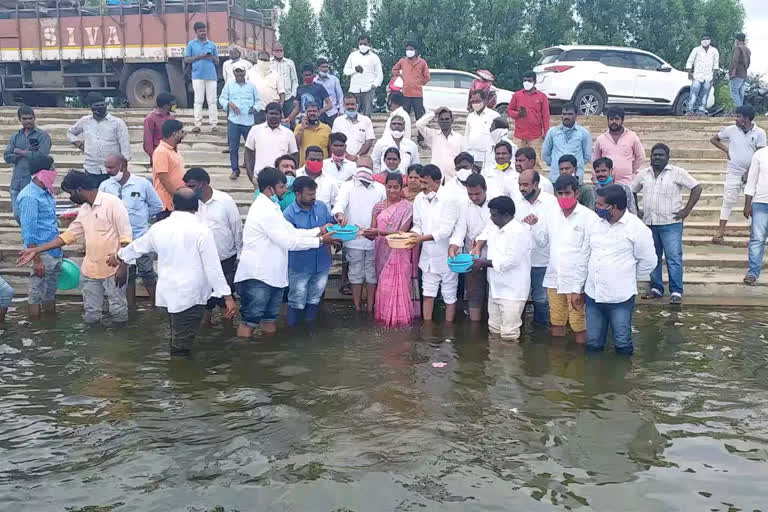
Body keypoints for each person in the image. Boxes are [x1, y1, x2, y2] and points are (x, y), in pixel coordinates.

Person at [109, 188, 237, 356]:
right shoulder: (202, 231)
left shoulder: (159, 227)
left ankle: (176, 376)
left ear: (173, 205)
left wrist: (119, 256)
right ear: (197, 206)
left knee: (177, 336)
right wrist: (227, 297)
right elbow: (212, 268)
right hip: (191, 295)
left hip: (168, 293)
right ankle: (181, 377)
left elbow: (137, 246)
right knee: (182, 345)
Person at [17, 170, 133, 324]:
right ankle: (93, 344)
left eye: (70, 193)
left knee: (118, 310)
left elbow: (126, 237)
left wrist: (123, 266)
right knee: (91, 313)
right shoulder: (85, 209)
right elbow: (68, 236)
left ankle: (119, 343)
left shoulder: (113, 203)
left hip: (113, 268)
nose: (71, 198)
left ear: (79, 190)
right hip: (90, 269)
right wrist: (37, 250)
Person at [235, 167, 336, 338]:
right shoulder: (263, 210)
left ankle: (270, 355)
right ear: (270, 189)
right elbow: (289, 241)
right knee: (250, 321)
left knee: (269, 320)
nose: (284, 190)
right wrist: (320, 240)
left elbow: (290, 230)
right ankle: (245, 358)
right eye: (281, 187)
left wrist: (319, 229)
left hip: (273, 275)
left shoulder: (271, 205)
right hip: (258, 275)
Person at [575, 185, 656, 354]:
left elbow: (648, 261)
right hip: (593, 294)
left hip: (621, 297)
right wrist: (577, 289)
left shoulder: (637, 228)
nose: (597, 208)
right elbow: (583, 257)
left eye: (601, 205)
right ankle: (593, 377)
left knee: (622, 341)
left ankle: (621, 378)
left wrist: (625, 276)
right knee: (592, 342)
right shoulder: (594, 224)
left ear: (616, 207)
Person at [632, 143, 702, 305]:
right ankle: (656, 288)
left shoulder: (677, 172)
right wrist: (637, 210)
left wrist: (686, 210)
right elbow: (632, 191)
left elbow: (697, 188)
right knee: (653, 257)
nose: (656, 157)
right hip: (649, 223)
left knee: (673, 258)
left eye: (660, 155)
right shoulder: (643, 174)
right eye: (654, 155)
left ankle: (676, 291)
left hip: (671, 223)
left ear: (667, 157)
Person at [537, 175, 599, 345]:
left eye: (567, 193)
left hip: (576, 280)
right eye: (560, 193)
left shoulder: (589, 217)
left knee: (579, 322)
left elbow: (591, 251)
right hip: (554, 276)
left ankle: (580, 361)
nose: (563, 197)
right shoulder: (550, 214)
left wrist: (581, 286)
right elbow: (541, 241)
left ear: (576, 194)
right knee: (556, 321)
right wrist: (533, 225)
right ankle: (558, 360)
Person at [100, 153, 163, 308]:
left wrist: (141, 218)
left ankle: (158, 307)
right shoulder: (105, 186)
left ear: (123, 166)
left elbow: (157, 205)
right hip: (118, 240)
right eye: (106, 167)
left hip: (140, 237)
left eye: (111, 167)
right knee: (127, 275)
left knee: (147, 272)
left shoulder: (142, 184)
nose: (108, 170)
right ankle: (130, 308)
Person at [182, 168, 242, 325]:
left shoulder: (225, 201)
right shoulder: (189, 204)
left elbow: (237, 229)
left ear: (203, 184)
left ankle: (228, 339)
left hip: (225, 259)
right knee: (203, 306)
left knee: (226, 304)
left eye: (192, 186)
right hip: (200, 263)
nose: (189, 190)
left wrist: (240, 257)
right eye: (187, 186)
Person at [470, 196, 532, 341]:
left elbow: (511, 261)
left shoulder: (519, 232)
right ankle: (495, 363)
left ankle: (509, 362)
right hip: (495, 287)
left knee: (509, 333)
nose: (491, 218)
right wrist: (477, 247)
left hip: (513, 291)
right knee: (494, 329)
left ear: (506, 215)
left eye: (494, 215)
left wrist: (483, 263)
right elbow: (482, 235)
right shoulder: (494, 225)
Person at [409, 164, 461, 322]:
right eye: (421, 182)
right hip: (428, 258)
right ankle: (427, 330)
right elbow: (418, 224)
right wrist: (411, 235)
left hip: (447, 257)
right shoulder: (419, 198)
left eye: (425, 183)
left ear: (437, 182)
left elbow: (446, 231)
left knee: (449, 296)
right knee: (428, 294)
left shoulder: (450, 199)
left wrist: (421, 239)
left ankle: (449, 332)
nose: (422, 186)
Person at [283, 176, 336, 325]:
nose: (314, 197)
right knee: (297, 301)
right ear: (298, 194)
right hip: (300, 265)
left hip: (322, 263)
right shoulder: (288, 215)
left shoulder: (321, 206)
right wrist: (320, 238)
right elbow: (292, 241)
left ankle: (310, 330)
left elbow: (329, 225)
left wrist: (337, 221)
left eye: (315, 194)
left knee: (314, 299)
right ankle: (294, 333)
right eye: (310, 194)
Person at [333, 167, 387, 312]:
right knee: (355, 273)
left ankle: (370, 306)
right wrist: (339, 215)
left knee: (372, 273)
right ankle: (357, 306)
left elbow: (384, 210)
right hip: (353, 236)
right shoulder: (347, 186)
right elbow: (340, 204)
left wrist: (376, 230)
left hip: (374, 236)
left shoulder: (380, 188)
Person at [710, 105, 766, 243]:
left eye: (739, 116)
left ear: (746, 119)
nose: (736, 119)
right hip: (733, 172)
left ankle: (757, 233)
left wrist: (749, 171)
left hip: (753, 174)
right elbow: (714, 139)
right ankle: (720, 231)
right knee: (728, 200)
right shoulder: (731, 130)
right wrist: (726, 150)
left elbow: (760, 155)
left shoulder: (760, 133)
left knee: (754, 203)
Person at [368, 172, 417, 326]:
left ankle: (400, 319)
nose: (392, 190)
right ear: (385, 186)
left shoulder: (408, 207)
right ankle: (384, 317)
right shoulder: (378, 206)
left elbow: (402, 233)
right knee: (384, 286)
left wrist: (378, 232)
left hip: (399, 252)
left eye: (396, 187)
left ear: (401, 188)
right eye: (389, 187)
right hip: (381, 251)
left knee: (398, 286)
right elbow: (373, 231)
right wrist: (364, 232)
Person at [15, 155, 61, 319]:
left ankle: (49, 323)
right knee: (36, 292)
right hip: (41, 252)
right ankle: (35, 325)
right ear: (43, 173)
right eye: (52, 169)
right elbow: (29, 232)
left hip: (54, 249)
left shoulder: (45, 191)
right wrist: (37, 259)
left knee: (50, 292)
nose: (54, 172)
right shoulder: (29, 196)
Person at [449, 172, 494, 321]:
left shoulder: (495, 202)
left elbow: (492, 227)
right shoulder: (464, 205)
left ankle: (490, 325)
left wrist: (480, 243)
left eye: (477, 194)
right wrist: (453, 247)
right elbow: (460, 230)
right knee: (474, 293)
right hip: (472, 257)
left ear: (485, 189)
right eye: (470, 194)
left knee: (494, 293)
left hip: (493, 255)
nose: (474, 198)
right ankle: (474, 330)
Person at [517, 169, 558, 326]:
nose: (522, 188)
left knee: (541, 300)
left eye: (526, 185)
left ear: (536, 184)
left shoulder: (551, 202)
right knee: (519, 300)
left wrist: (535, 225)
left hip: (542, 261)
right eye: (520, 184)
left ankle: (541, 338)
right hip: (521, 261)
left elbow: (551, 234)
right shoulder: (517, 201)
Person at [67, 92, 131, 180]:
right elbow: (70, 133)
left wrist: (123, 169)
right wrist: (79, 144)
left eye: (102, 105)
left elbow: (125, 148)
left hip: (112, 171)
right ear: (91, 108)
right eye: (97, 106)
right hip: (91, 168)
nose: (100, 108)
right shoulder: (85, 121)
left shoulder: (117, 123)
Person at [5, 105, 51, 223]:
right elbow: (7, 156)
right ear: (19, 119)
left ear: (34, 118)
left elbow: (42, 156)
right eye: (25, 118)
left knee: (33, 215)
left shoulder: (42, 135)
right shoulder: (15, 136)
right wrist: (24, 154)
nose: (28, 121)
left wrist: (20, 151)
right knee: (17, 214)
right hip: (17, 180)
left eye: (30, 118)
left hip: (35, 181)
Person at [219, 61, 260, 180]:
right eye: (237, 73)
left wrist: (255, 109)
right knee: (233, 147)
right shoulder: (229, 85)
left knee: (251, 146)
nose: (240, 76)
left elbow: (258, 101)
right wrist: (229, 104)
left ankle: (251, 168)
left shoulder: (251, 86)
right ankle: (235, 170)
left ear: (244, 72)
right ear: (234, 73)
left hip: (248, 121)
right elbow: (221, 98)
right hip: (234, 120)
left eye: (241, 73)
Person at [244, 102, 299, 183]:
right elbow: (248, 152)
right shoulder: (255, 130)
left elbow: (294, 155)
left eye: (276, 114)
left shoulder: (288, 133)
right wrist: (250, 175)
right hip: (259, 177)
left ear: (281, 115)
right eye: (271, 113)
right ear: (266, 114)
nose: (273, 116)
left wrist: (291, 175)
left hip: (282, 180)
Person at [592, 107, 645, 185]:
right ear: (608, 120)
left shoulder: (632, 137)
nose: (614, 122)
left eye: (617, 119)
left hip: (626, 182)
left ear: (622, 120)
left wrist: (630, 170)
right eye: (611, 119)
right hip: (605, 183)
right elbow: (595, 161)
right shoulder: (600, 139)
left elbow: (640, 156)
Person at [542, 102, 592, 181]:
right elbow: (545, 154)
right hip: (556, 177)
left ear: (576, 115)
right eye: (564, 114)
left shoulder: (584, 133)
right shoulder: (552, 132)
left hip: (576, 178)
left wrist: (576, 165)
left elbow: (587, 157)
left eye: (570, 114)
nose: (566, 117)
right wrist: (555, 164)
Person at [184, 22, 219, 133]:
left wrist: (211, 56)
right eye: (201, 31)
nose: (203, 32)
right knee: (198, 100)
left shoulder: (212, 44)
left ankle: (214, 124)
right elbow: (186, 59)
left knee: (212, 101)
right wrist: (200, 56)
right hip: (197, 75)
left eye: (204, 30)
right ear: (196, 32)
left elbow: (217, 61)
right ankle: (197, 124)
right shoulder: (191, 44)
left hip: (211, 76)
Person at [391, 41, 430, 140]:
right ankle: (402, 136)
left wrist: (419, 83)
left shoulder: (422, 62)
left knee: (419, 117)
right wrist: (400, 75)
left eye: (411, 49)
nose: (409, 51)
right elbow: (394, 70)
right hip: (405, 93)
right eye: (407, 49)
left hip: (417, 94)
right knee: (404, 116)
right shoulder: (403, 61)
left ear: (416, 51)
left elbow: (427, 77)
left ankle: (421, 138)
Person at [414, 107, 464, 179]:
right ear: (438, 121)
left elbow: (464, 158)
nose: (444, 121)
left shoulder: (460, 138)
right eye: (442, 119)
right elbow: (419, 124)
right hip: (436, 178)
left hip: (454, 178)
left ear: (452, 120)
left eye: (447, 119)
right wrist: (434, 112)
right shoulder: (433, 135)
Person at [152, 119, 186, 218]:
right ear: (175, 134)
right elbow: (163, 178)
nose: (183, 135)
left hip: (175, 202)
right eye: (181, 132)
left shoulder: (173, 150)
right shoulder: (161, 151)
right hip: (166, 203)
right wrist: (177, 198)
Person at [506, 71, 550, 147]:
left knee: (535, 158)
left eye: (529, 80)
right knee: (517, 157)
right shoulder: (517, 95)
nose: (526, 82)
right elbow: (509, 111)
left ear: (535, 82)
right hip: (519, 135)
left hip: (535, 136)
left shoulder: (542, 97)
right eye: (524, 80)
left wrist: (546, 133)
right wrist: (518, 114)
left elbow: (545, 116)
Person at [343, 35, 383, 117]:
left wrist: (374, 85)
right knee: (352, 112)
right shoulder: (353, 56)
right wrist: (355, 70)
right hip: (354, 88)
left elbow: (379, 74)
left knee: (367, 113)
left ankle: (366, 128)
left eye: (364, 44)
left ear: (369, 44)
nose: (362, 46)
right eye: (360, 44)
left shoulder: (374, 57)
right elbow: (346, 71)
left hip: (368, 88)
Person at [745, 145, 768, 285]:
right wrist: (748, 203)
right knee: (757, 239)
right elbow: (751, 180)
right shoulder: (760, 154)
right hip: (760, 202)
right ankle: (753, 273)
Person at [331, 94, 375, 161]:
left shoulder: (366, 120)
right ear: (343, 106)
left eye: (352, 104)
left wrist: (357, 156)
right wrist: (347, 156)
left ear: (357, 105)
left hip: (361, 160)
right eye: (347, 104)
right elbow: (334, 141)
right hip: (342, 159)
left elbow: (369, 141)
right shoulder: (338, 121)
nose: (350, 107)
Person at [247, 51, 285, 124]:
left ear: (269, 60)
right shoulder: (250, 73)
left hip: (271, 110)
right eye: (261, 59)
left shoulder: (275, 74)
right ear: (258, 60)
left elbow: (282, 92)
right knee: (257, 132)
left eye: (265, 60)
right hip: (256, 109)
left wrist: (281, 105)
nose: (263, 62)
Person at [465, 89, 499, 169]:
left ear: (484, 100)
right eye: (473, 101)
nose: (475, 103)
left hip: (488, 157)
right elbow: (466, 135)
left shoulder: (494, 116)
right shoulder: (470, 116)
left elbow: (499, 137)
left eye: (477, 101)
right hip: (473, 156)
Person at [685, 35, 719, 116]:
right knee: (693, 93)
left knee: (705, 95)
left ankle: (701, 110)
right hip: (697, 76)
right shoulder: (696, 50)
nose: (705, 41)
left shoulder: (714, 51)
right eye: (703, 39)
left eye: (707, 39)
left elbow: (716, 64)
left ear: (710, 40)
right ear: (700, 40)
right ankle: (690, 110)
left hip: (708, 76)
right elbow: (690, 61)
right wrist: (689, 73)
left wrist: (714, 76)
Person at [294, 102, 331, 167]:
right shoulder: (299, 127)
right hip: (304, 166)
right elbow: (295, 145)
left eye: (314, 111)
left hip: (323, 166)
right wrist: (302, 128)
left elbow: (330, 148)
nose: (312, 113)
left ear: (319, 113)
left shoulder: (327, 128)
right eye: (309, 111)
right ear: (306, 113)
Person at [143, 92, 176, 161]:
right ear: (165, 105)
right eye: (172, 104)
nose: (174, 106)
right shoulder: (150, 119)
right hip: (157, 153)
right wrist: (152, 156)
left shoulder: (171, 117)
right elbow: (148, 139)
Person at [271, 42, 299, 121]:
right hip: (274, 98)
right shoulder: (269, 63)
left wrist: (293, 95)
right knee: (274, 120)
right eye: (277, 50)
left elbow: (294, 80)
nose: (279, 52)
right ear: (272, 51)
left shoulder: (289, 63)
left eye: (281, 50)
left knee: (290, 120)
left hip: (288, 97)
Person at [314, 58, 344, 126]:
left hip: (332, 112)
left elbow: (340, 96)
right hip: (319, 112)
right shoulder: (314, 81)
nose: (325, 69)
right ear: (318, 68)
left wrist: (341, 111)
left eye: (327, 67)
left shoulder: (334, 79)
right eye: (323, 67)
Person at [729, 33, 751, 109]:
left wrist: (733, 72)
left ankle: (739, 110)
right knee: (740, 92)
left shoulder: (737, 48)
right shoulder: (747, 49)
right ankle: (741, 111)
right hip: (744, 73)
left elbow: (735, 61)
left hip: (737, 74)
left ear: (737, 40)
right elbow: (748, 63)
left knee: (734, 92)